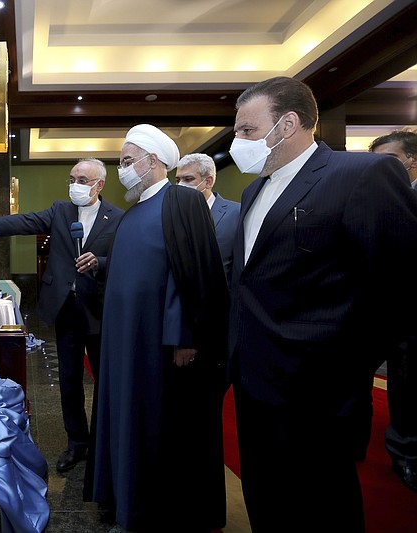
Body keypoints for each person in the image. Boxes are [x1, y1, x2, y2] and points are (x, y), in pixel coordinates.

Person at [227, 76, 417, 532]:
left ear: (288, 124)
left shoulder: (362, 175)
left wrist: (342, 370)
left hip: (317, 395)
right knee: (266, 501)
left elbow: (400, 289)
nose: (237, 142)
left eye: (247, 131)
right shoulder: (255, 191)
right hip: (253, 383)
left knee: (322, 508)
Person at [88, 125, 229, 532]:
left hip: (157, 344)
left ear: (154, 162)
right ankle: (123, 500)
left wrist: (184, 336)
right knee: (125, 419)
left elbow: (192, 272)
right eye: (120, 163)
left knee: (152, 426)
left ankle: (146, 511)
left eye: (128, 161)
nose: (123, 170)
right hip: (124, 341)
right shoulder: (134, 212)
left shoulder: (181, 200)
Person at [0, 158, 124, 474]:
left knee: (105, 380)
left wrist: (99, 261)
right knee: (69, 380)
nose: (75, 184)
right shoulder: (60, 210)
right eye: (72, 178)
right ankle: (77, 444)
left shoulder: (119, 218)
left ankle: (104, 442)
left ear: (100, 184)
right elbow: (26, 221)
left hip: (100, 310)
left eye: (83, 179)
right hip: (66, 310)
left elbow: (125, 258)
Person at [369, 129, 417, 492]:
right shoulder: (380, 198)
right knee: (404, 388)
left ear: (411, 162)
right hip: (390, 314)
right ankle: (405, 457)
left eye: (390, 161)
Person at [175, 152, 240, 281]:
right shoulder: (172, 216)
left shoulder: (237, 212)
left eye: (188, 179)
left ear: (208, 182)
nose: (180, 185)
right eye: (178, 180)